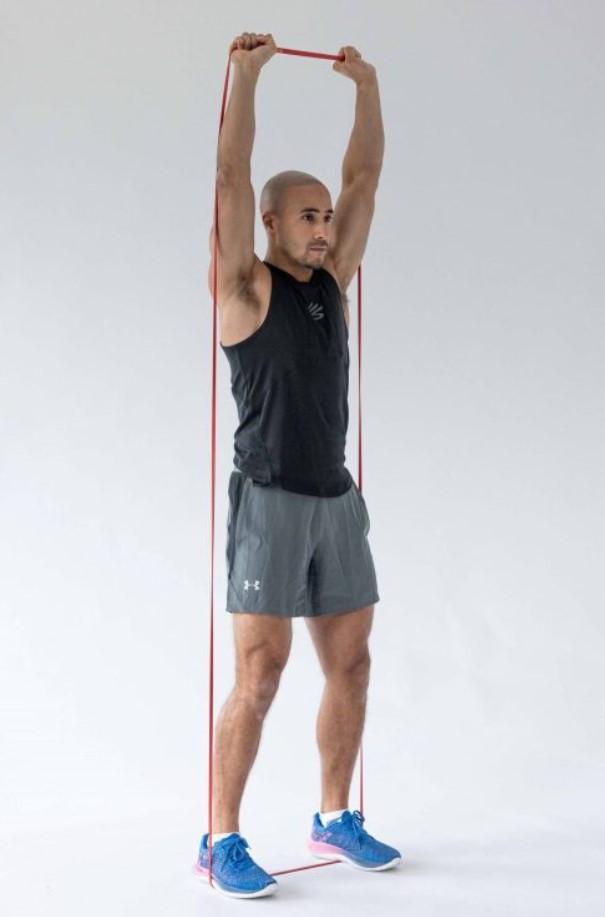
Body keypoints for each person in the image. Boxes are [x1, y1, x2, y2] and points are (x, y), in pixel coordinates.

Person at [195, 31, 401, 899]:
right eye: (304, 215)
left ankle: (330, 818)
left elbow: (363, 180)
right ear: (271, 224)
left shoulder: (333, 283)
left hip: (334, 499)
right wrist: (244, 77)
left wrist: (367, 88)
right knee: (260, 670)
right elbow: (231, 174)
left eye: (323, 217)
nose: (321, 225)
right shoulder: (244, 288)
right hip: (270, 500)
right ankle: (220, 836)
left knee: (350, 662)